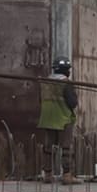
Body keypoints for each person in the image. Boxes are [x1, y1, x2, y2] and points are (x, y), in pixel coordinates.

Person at [37, 56, 79, 184]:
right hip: (63, 119)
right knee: (66, 148)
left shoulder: (45, 82)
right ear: (66, 70)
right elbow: (73, 103)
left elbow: (40, 100)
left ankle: (47, 175)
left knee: (48, 148)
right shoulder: (66, 83)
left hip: (47, 118)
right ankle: (67, 175)